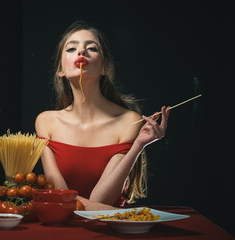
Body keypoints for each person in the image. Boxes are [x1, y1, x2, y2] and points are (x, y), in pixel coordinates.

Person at [35, 21, 170, 210]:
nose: (81, 53)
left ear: (105, 67)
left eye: (91, 48)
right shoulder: (46, 122)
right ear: (60, 70)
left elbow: (101, 200)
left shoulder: (129, 121)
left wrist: (138, 145)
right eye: (72, 48)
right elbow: (61, 199)